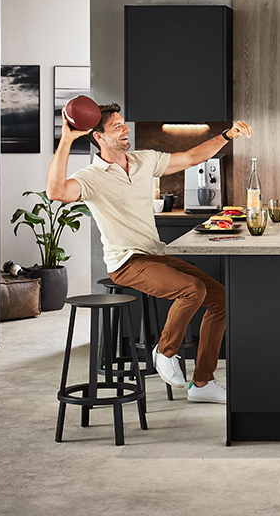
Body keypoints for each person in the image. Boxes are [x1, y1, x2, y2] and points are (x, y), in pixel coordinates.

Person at [46, 103, 253, 404]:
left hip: (154, 255)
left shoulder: (144, 160)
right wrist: (66, 138)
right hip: (127, 262)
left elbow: (193, 156)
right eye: (116, 126)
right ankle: (165, 350)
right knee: (191, 289)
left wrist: (227, 134)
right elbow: (55, 192)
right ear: (99, 137)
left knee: (221, 299)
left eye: (123, 123)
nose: (125, 128)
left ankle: (202, 382)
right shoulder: (91, 177)